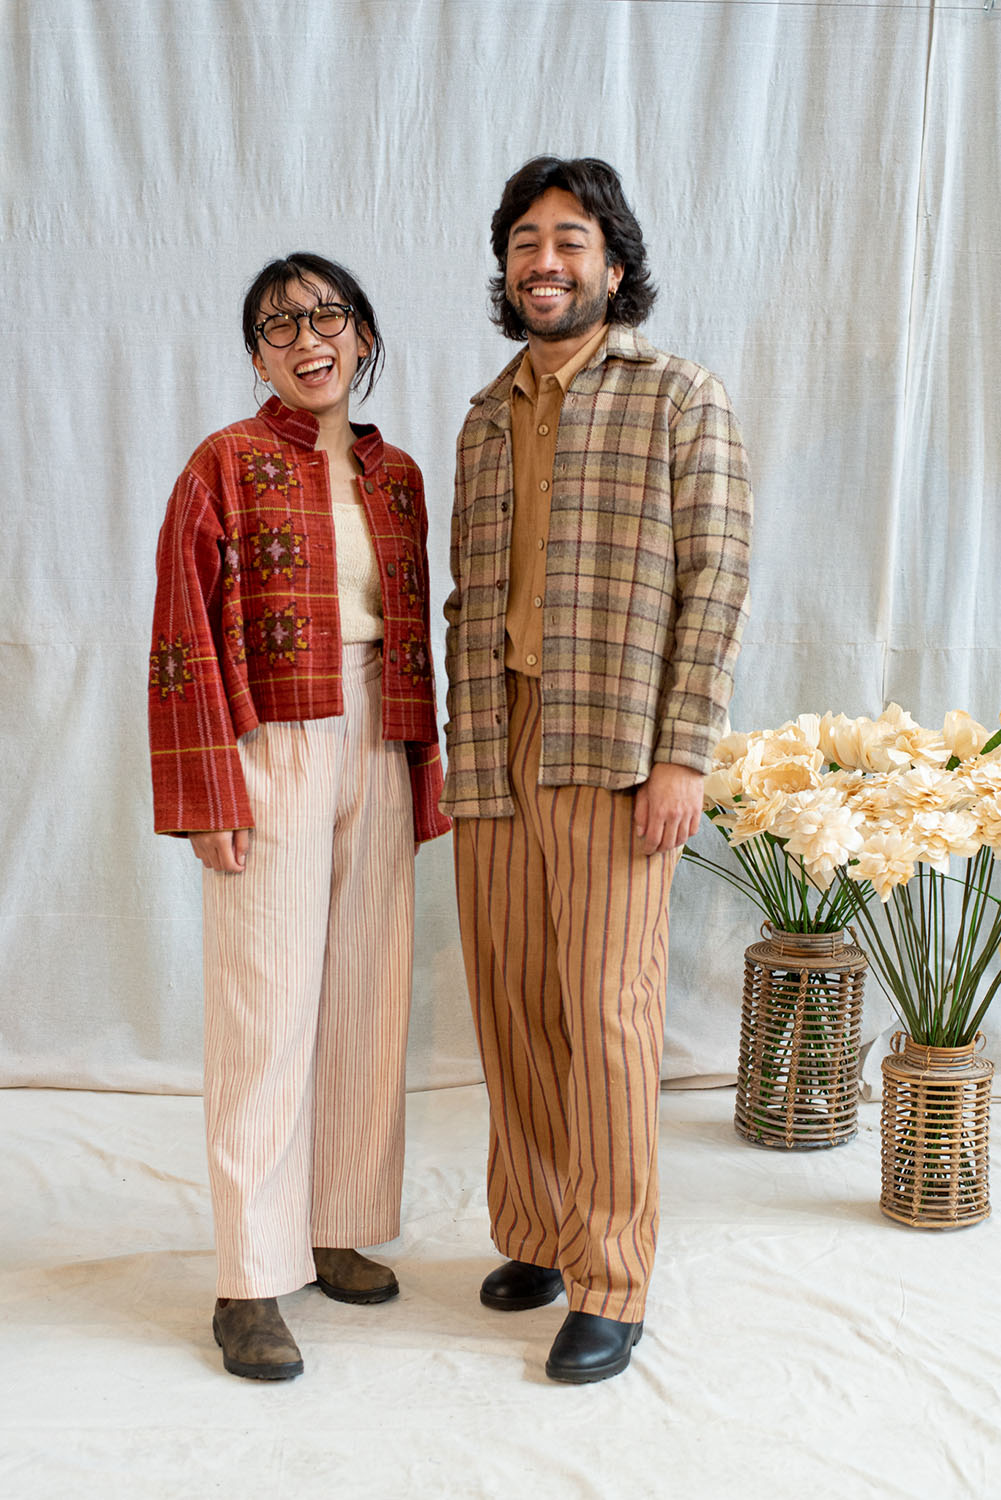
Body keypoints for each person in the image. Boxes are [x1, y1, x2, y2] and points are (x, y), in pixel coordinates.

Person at [441, 158, 752, 1384]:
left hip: (616, 744)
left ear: (613, 268)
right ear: (505, 267)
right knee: (511, 1002)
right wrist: (460, 747)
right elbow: (468, 598)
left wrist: (682, 753)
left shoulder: (677, 395)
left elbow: (714, 585)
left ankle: (612, 1279)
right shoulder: (484, 418)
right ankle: (537, 1234)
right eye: (525, 241)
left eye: (570, 240)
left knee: (609, 1012)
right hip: (497, 743)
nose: (545, 261)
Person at [148, 253, 450, 1381]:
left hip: (380, 729)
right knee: (265, 1006)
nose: (306, 338)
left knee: (365, 994)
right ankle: (248, 1277)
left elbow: (415, 627)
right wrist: (207, 792)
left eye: (327, 316)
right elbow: (180, 632)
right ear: (257, 354)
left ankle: (334, 1226)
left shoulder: (397, 476)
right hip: (271, 737)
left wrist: (421, 760)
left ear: (362, 336)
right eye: (279, 325)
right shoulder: (222, 464)